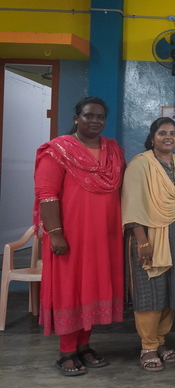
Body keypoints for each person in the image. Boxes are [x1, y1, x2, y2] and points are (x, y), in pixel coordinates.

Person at [33, 96, 125, 376]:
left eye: (100, 117)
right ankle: (66, 352)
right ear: (76, 118)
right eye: (88, 115)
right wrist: (56, 235)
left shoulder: (113, 150)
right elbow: (47, 195)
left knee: (93, 288)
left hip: (104, 236)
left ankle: (84, 346)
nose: (95, 121)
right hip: (70, 236)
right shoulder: (57, 150)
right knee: (70, 289)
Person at [122, 117, 175, 372]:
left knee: (171, 291)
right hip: (149, 237)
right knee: (150, 292)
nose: (168, 137)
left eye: (173, 133)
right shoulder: (140, 164)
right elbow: (132, 204)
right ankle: (148, 346)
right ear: (152, 138)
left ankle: (161, 339)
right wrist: (142, 241)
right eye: (162, 133)